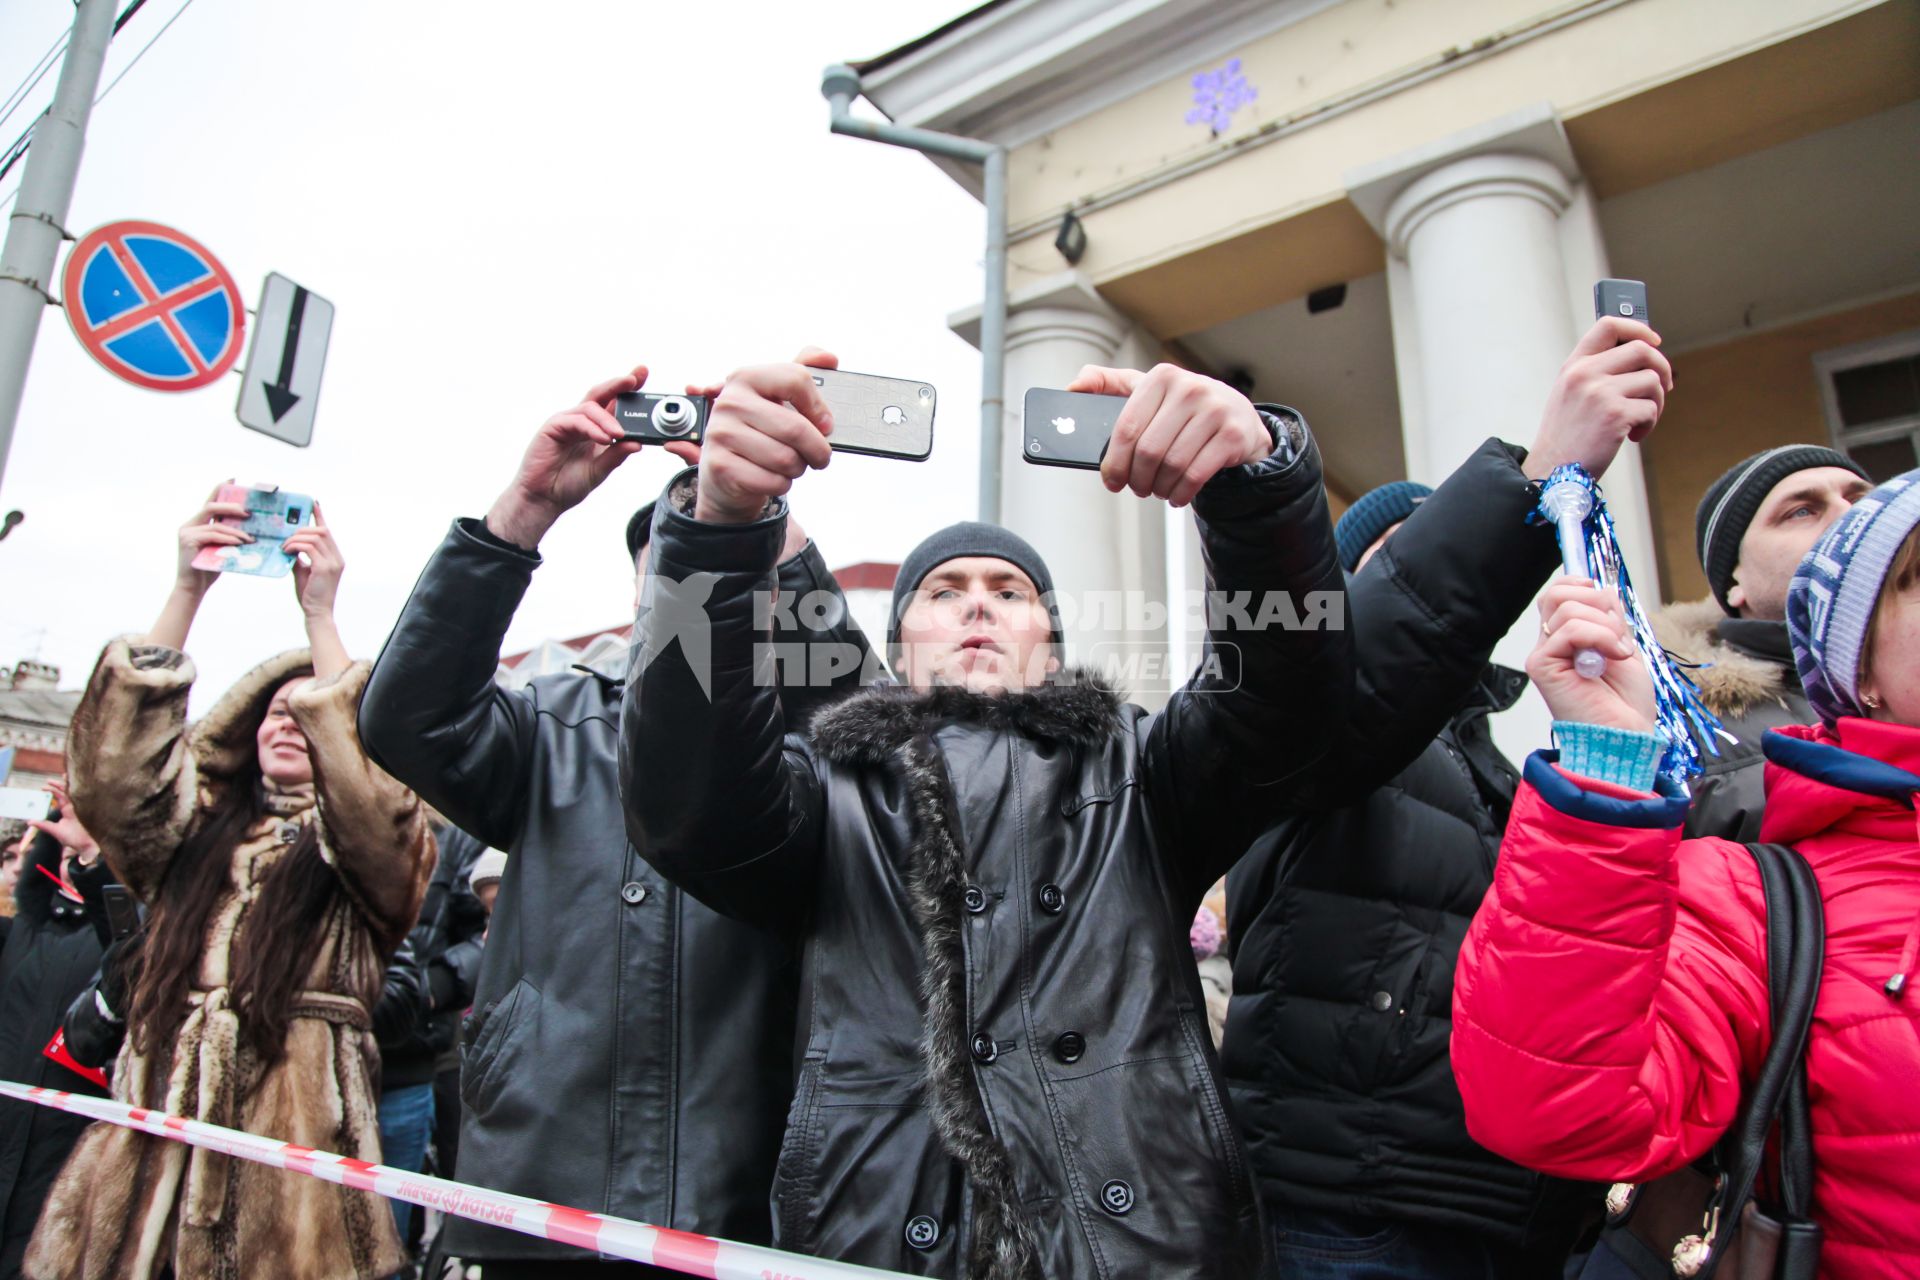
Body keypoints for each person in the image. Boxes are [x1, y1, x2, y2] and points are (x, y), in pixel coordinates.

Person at [622, 355, 1350, 1278]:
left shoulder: (1148, 769)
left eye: (1009, 592)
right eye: (944, 590)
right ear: (899, 645)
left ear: (1048, 639)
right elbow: (683, 799)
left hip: (1148, 1250)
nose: (977, 604)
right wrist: (719, 531)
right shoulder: (824, 790)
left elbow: (1290, 700)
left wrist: (1257, 488)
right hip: (877, 1240)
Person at [357, 354, 874, 1279]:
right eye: (668, 567)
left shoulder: (804, 723)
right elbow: (406, 716)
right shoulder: (553, 720)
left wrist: (766, 519)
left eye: (716, 568)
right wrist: (528, 506)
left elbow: (873, 744)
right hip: (536, 1188)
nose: (687, 589)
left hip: (750, 1201)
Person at [1221, 316, 1672, 1279]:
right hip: (1347, 1209)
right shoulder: (1303, 727)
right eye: (1408, 550)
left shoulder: (1505, 770)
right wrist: (1546, 467)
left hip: (1502, 1209)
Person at [1451, 468, 1920, 1278]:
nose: (1835, 510)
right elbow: (1557, 1107)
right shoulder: (1761, 897)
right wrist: (1606, 768)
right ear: (1857, 679)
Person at [26, 491, 435, 1280]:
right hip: (142, 1184)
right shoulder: (191, 840)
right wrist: (187, 589)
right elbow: (111, 778)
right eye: (272, 711)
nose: (287, 720)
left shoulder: (360, 860)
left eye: (306, 712)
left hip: (295, 1200)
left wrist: (322, 614)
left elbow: (379, 804)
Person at [1652, 446, 1871, 840]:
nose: (1850, 514)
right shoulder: (1676, 739)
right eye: (1801, 511)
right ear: (1734, 585)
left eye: (1860, 499)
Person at [0, 789, 112, 1280]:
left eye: (83, 852)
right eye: (64, 852)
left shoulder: (114, 933)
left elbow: (131, 951)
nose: (72, 861)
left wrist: (94, 859)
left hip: (69, 1147)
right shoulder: (21, 929)